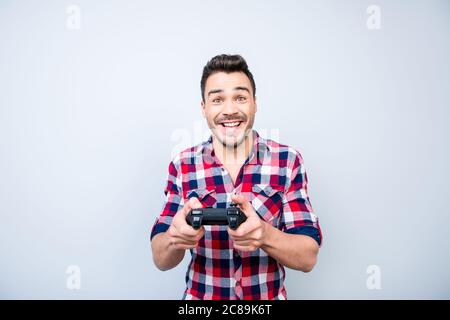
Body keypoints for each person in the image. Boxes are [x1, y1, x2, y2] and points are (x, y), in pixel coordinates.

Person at [150, 54, 322, 300]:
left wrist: (264, 234)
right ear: (204, 108)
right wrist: (175, 238)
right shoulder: (182, 164)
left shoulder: (288, 160)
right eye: (217, 99)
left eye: (240, 97)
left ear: (254, 103)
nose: (230, 110)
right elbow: (160, 258)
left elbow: (308, 257)